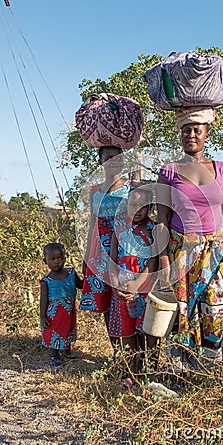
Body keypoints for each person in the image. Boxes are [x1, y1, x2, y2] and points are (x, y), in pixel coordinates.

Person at [156, 107, 223, 371]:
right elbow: (162, 218)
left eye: (197, 130)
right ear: (180, 135)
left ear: (207, 134)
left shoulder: (221, 168)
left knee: (215, 307)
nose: (191, 135)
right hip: (182, 252)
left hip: (217, 252)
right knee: (184, 309)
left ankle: (212, 368)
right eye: (186, 130)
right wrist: (162, 258)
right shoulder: (169, 172)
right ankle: (181, 369)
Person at [109, 181, 159, 388]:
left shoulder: (154, 229)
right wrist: (114, 286)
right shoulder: (119, 228)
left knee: (149, 332)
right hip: (122, 289)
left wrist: (138, 283)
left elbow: (154, 260)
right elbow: (112, 260)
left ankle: (152, 372)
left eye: (142, 207)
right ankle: (131, 371)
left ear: (150, 208)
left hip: (145, 287)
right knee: (128, 333)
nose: (136, 211)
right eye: (132, 206)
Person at [80, 146, 130, 334]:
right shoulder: (95, 191)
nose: (113, 162)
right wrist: (87, 258)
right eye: (109, 158)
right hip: (100, 253)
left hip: (124, 250)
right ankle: (117, 352)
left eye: (118, 158)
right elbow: (93, 226)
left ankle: (130, 351)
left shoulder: (131, 187)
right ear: (100, 162)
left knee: (124, 299)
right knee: (106, 301)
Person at [40, 243, 83, 368]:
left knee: (68, 330)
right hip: (53, 314)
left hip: (68, 312)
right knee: (54, 332)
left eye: (60, 258)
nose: (57, 262)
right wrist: (43, 316)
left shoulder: (71, 273)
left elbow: (80, 284)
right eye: (52, 259)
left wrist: (90, 275)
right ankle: (55, 355)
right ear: (45, 261)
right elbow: (43, 300)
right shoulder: (47, 281)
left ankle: (67, 351)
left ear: (65, 258)